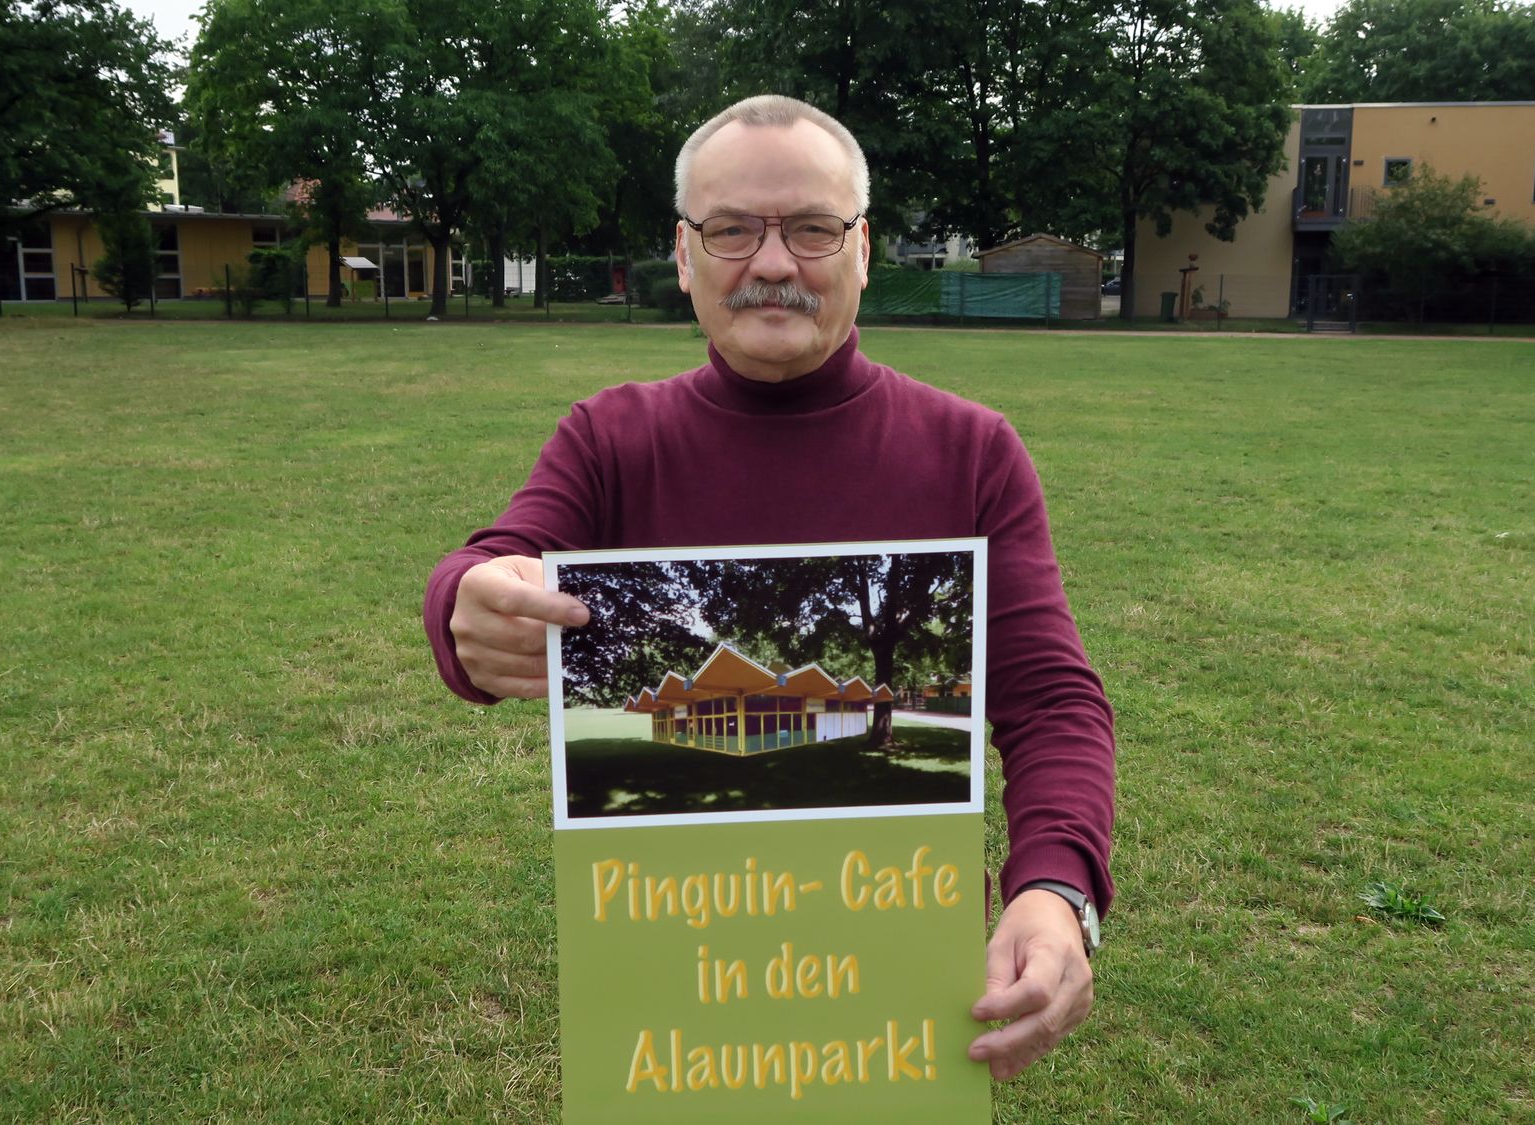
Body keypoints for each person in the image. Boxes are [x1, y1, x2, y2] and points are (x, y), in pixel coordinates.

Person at [424, 94, 1115, 1081]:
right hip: (677, 996)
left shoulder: (970, 452)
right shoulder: (610, 439)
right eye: (732, 230)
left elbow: (1051, 701)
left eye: (811, 229)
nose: (774, 263)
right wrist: (463, 610)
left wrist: (1055, 889)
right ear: (683, 255)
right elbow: (492, 561)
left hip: (885, 996)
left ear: (862, 250)